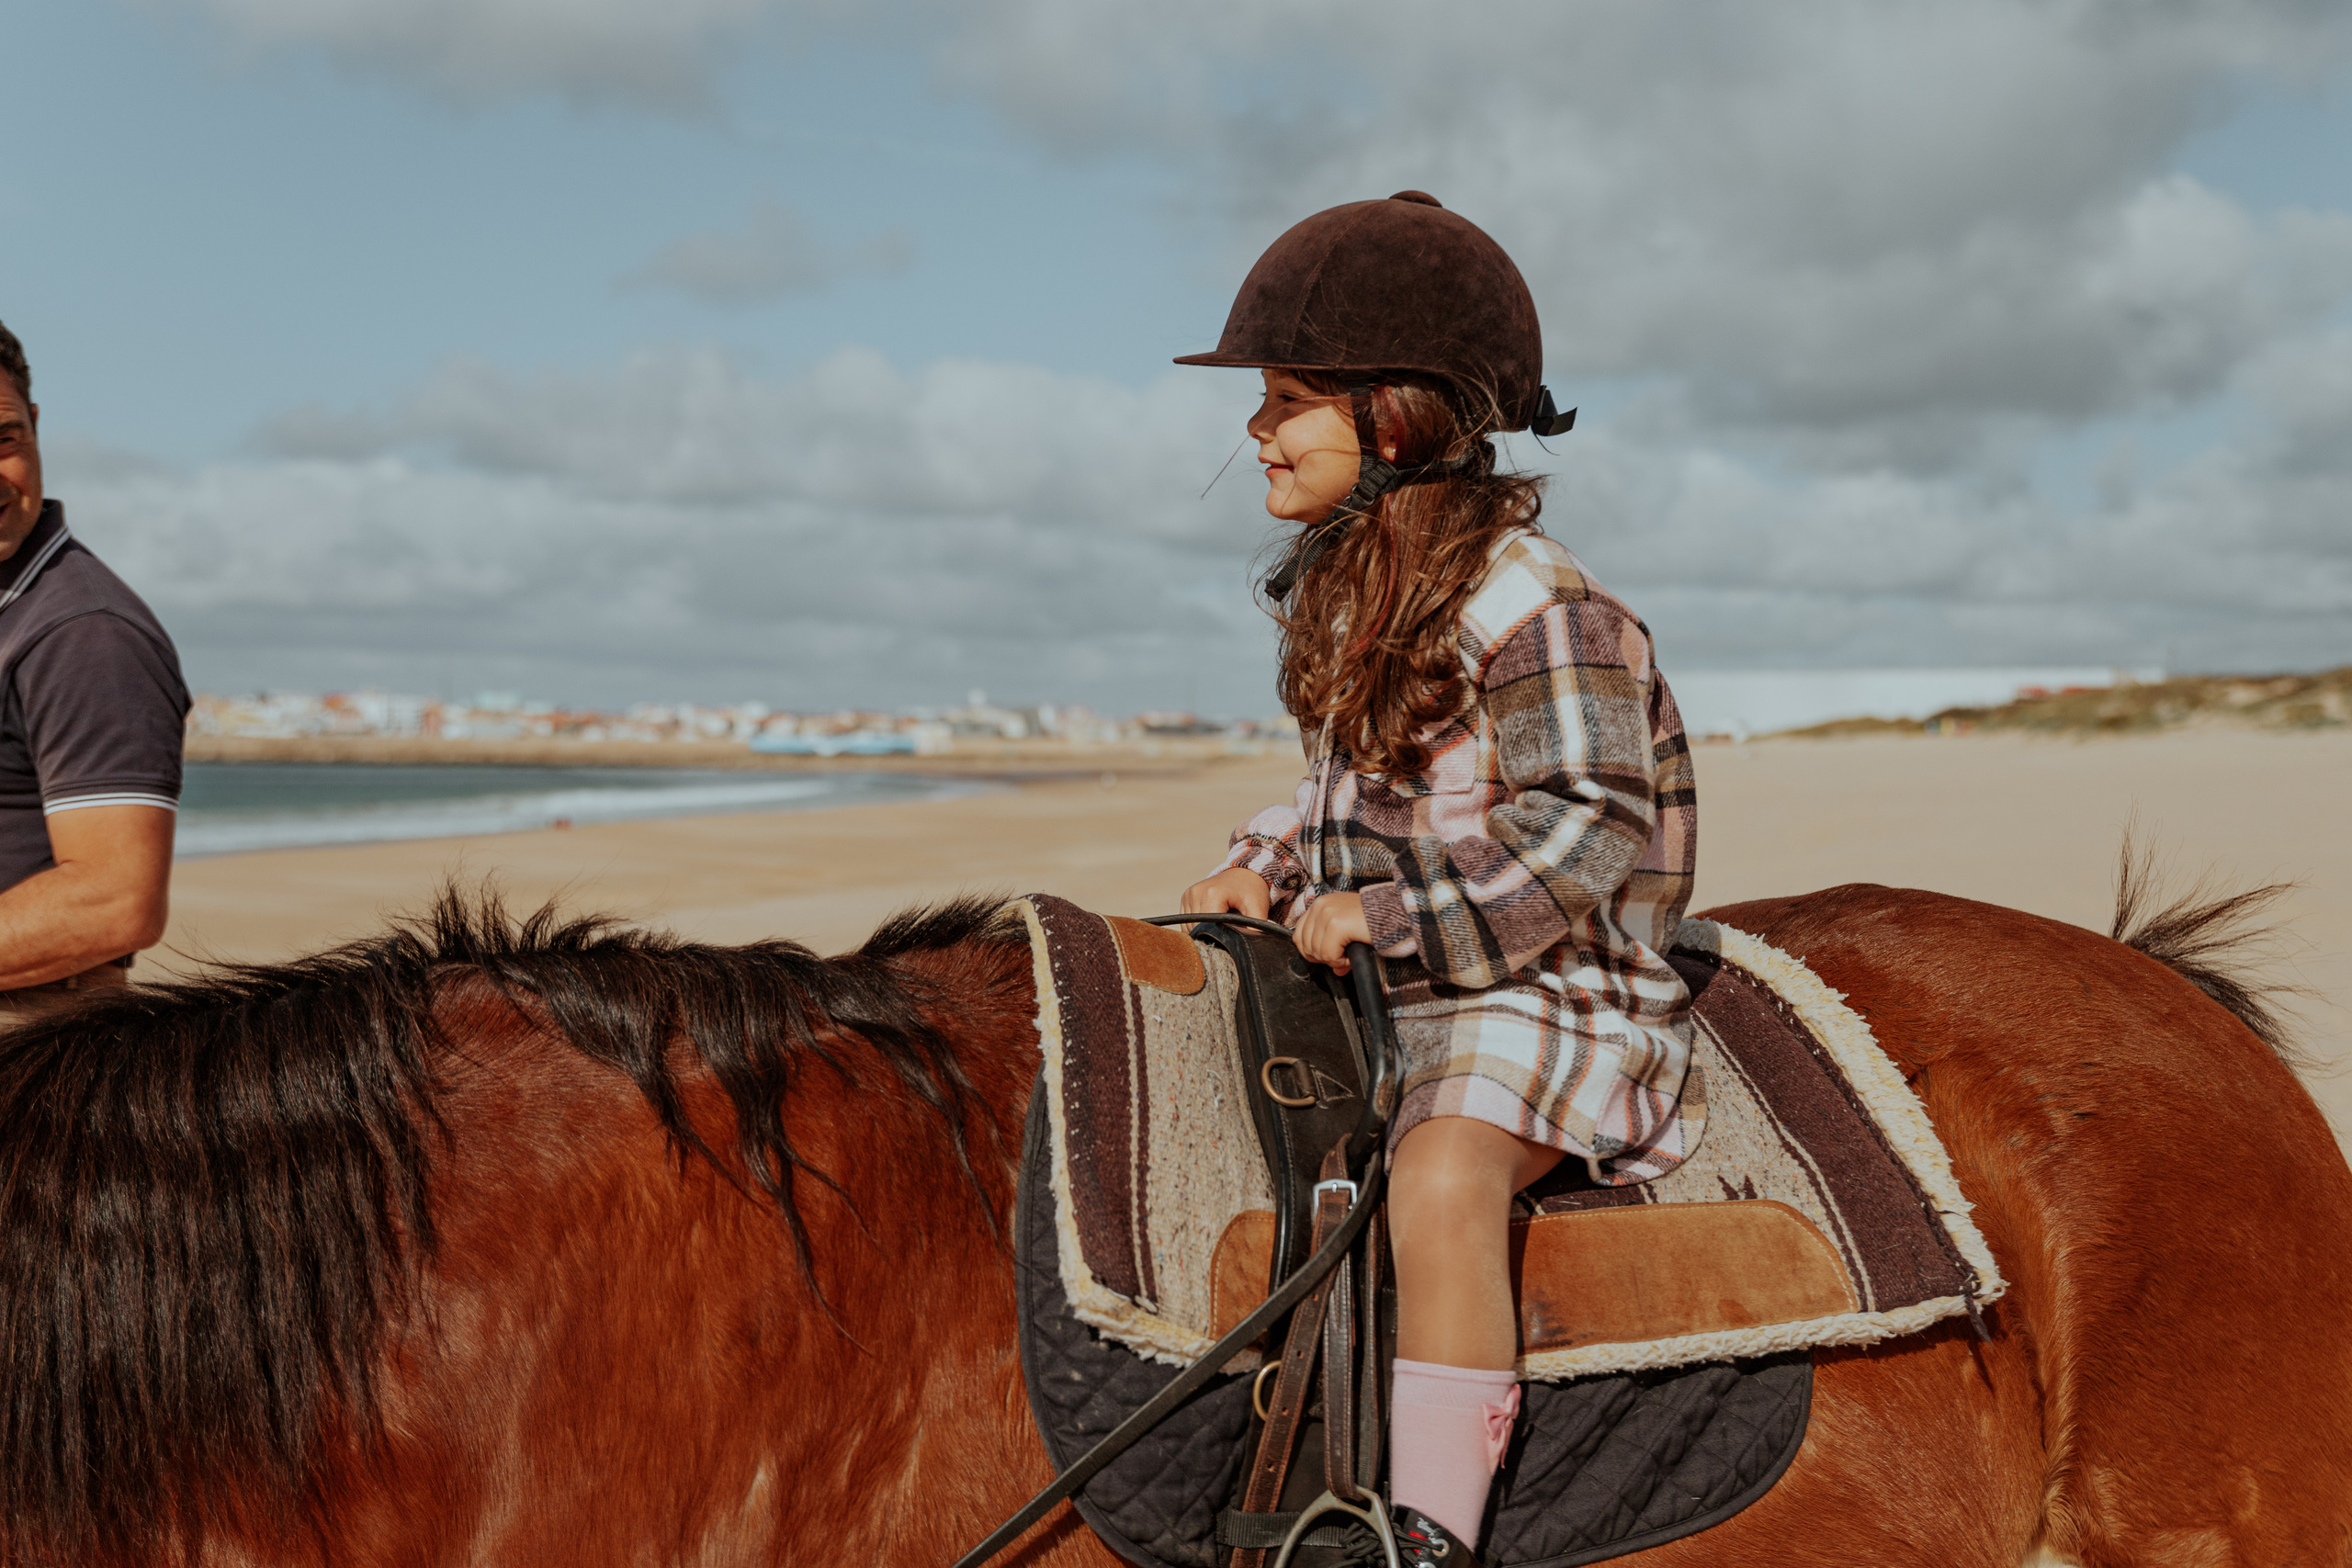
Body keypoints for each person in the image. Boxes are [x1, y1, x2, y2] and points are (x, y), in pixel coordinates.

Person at [1175, 194, 1701, 1564]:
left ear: (1393, 417)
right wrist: (1266, 861)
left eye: (1288, 398)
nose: (1257, 431)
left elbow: (1588, 820)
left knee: (1448, 1174)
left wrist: (1397, 917)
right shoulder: (1364, 592)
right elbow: (1356, 794)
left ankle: (1433, 1526)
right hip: (1396, 974)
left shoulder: (1542, 605)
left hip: (1541, 975)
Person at [0, 319, 187, 1013]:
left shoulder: (85, 632)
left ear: (36, 424)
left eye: (4, 439)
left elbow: (116, 899)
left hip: (29, 1043)